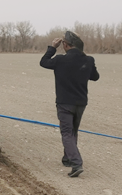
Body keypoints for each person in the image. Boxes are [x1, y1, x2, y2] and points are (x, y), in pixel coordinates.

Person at [39, 30, 100, 177]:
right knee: (73, 132)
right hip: (81, 103)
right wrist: (85, 62)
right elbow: (95, 77)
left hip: (64, 103)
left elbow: (43, 62)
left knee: (66, 133)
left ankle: (76, 163)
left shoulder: (60, 60)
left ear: (65, 45)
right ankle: (67, 158)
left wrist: (52, 48)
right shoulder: (88, 60)